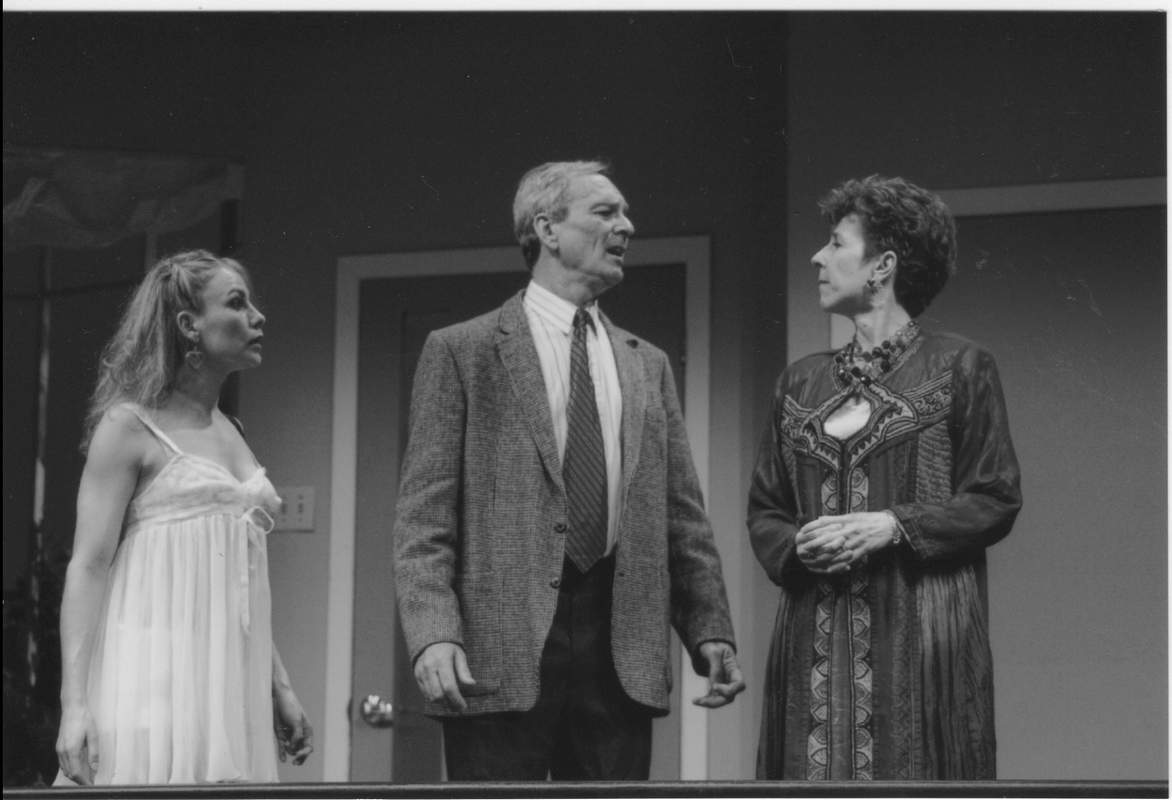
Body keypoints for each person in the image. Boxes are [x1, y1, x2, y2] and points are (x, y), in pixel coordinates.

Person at [392, 160, 745, 781]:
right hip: (498, 654)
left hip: (620, 652)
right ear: (547, 228)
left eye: (625, 214)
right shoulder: (462, 351)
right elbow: (424, 518)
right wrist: (432, 633)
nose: (627, 227)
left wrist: (709, 629)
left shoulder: (648, 363)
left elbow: (681, 515)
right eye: (606, 212)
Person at [748, 176, 1021, 780]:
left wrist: (892, 525)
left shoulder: (959, 366)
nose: (818, 257)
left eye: (836, 243)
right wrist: (797, 545)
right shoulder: (800, 383)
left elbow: (994, 497)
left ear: (883, 265)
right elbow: (766, 508)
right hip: (811, 639)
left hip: (922, 633)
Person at [54, 250, 312, 785]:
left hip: (226, 684)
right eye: (236, 304)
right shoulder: (130, 426)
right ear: (189, 325)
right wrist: (74, 705)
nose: (257, 317)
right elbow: (89, 565)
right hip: (153, 682)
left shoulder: (231, 430)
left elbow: (236, 581)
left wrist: (279, 685)